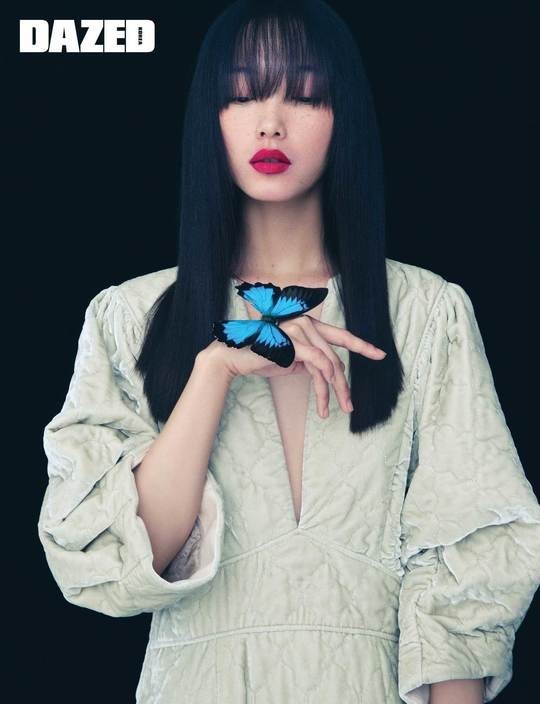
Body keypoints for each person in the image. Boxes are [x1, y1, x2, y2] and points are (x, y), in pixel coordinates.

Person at [37, 1, 540, 702]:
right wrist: (215, 367)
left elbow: (469, 562)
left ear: (345, 118)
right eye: (242, 94)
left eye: (304, 95)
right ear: (209, 119)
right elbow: (122, 559)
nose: (270, 122)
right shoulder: (128, 316)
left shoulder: (427, 313)